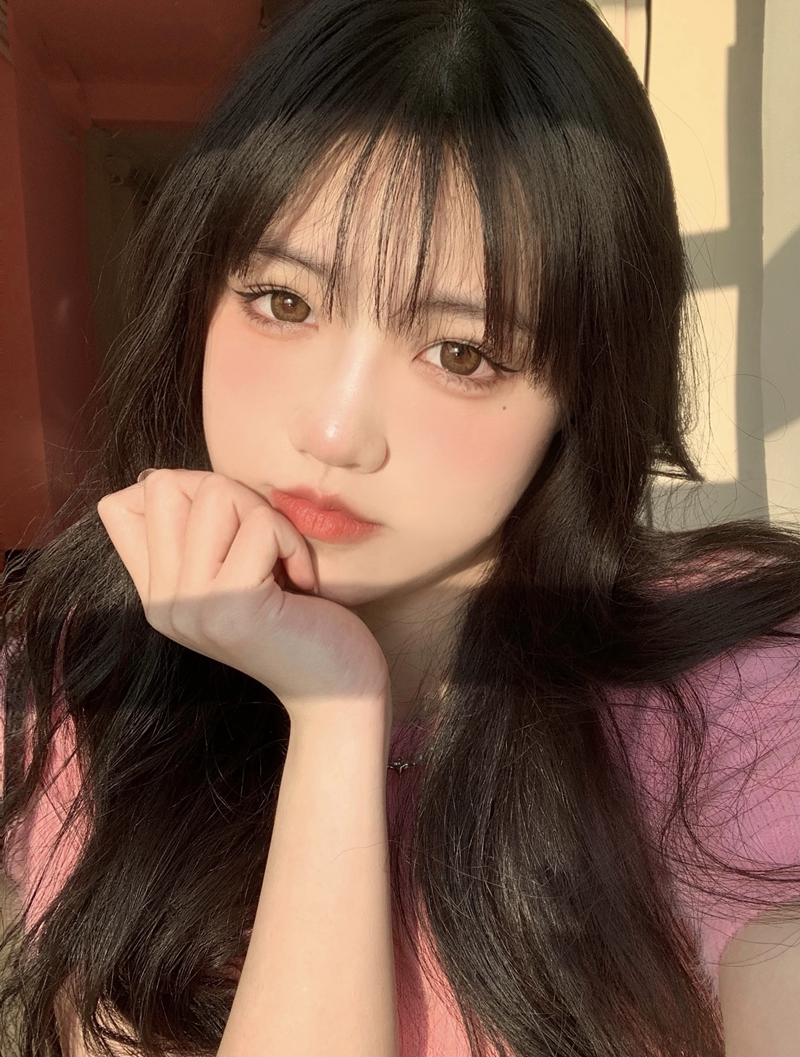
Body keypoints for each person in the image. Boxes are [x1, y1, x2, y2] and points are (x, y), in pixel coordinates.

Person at [1, 0, 798, 1054]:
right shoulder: (104, 674)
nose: (334, 432)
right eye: (284, 302)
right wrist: (332, 708)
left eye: (461, 354)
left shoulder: (734, 702)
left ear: (579, 392)